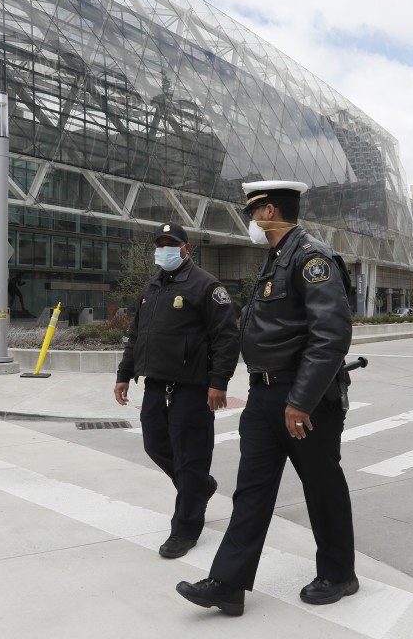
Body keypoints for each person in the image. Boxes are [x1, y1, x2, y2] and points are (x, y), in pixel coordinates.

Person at [176, 181, 356, 616]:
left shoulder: (312, 258)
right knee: (251, 491)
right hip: (263, 396)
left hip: (303, 398)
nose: (250, 222)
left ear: (270, 210)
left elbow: (330, 336)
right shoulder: (276, 258)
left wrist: (302, 400)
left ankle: (338, 573)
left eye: (252, 213)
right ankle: (228, 583)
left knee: (321, 486)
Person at [114, 222, 240, 559]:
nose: (165, 249)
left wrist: (219, 382)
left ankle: (185, 528)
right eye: (161, 243)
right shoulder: (152, 287)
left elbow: (227, 337)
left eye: (172, 244)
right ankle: (199, 486)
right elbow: (137, 335)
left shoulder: (206, 286)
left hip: (193, 388)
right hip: (155, 384)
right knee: (154, 445)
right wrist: (124, 373)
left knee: (190, 457)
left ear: (187, 248)